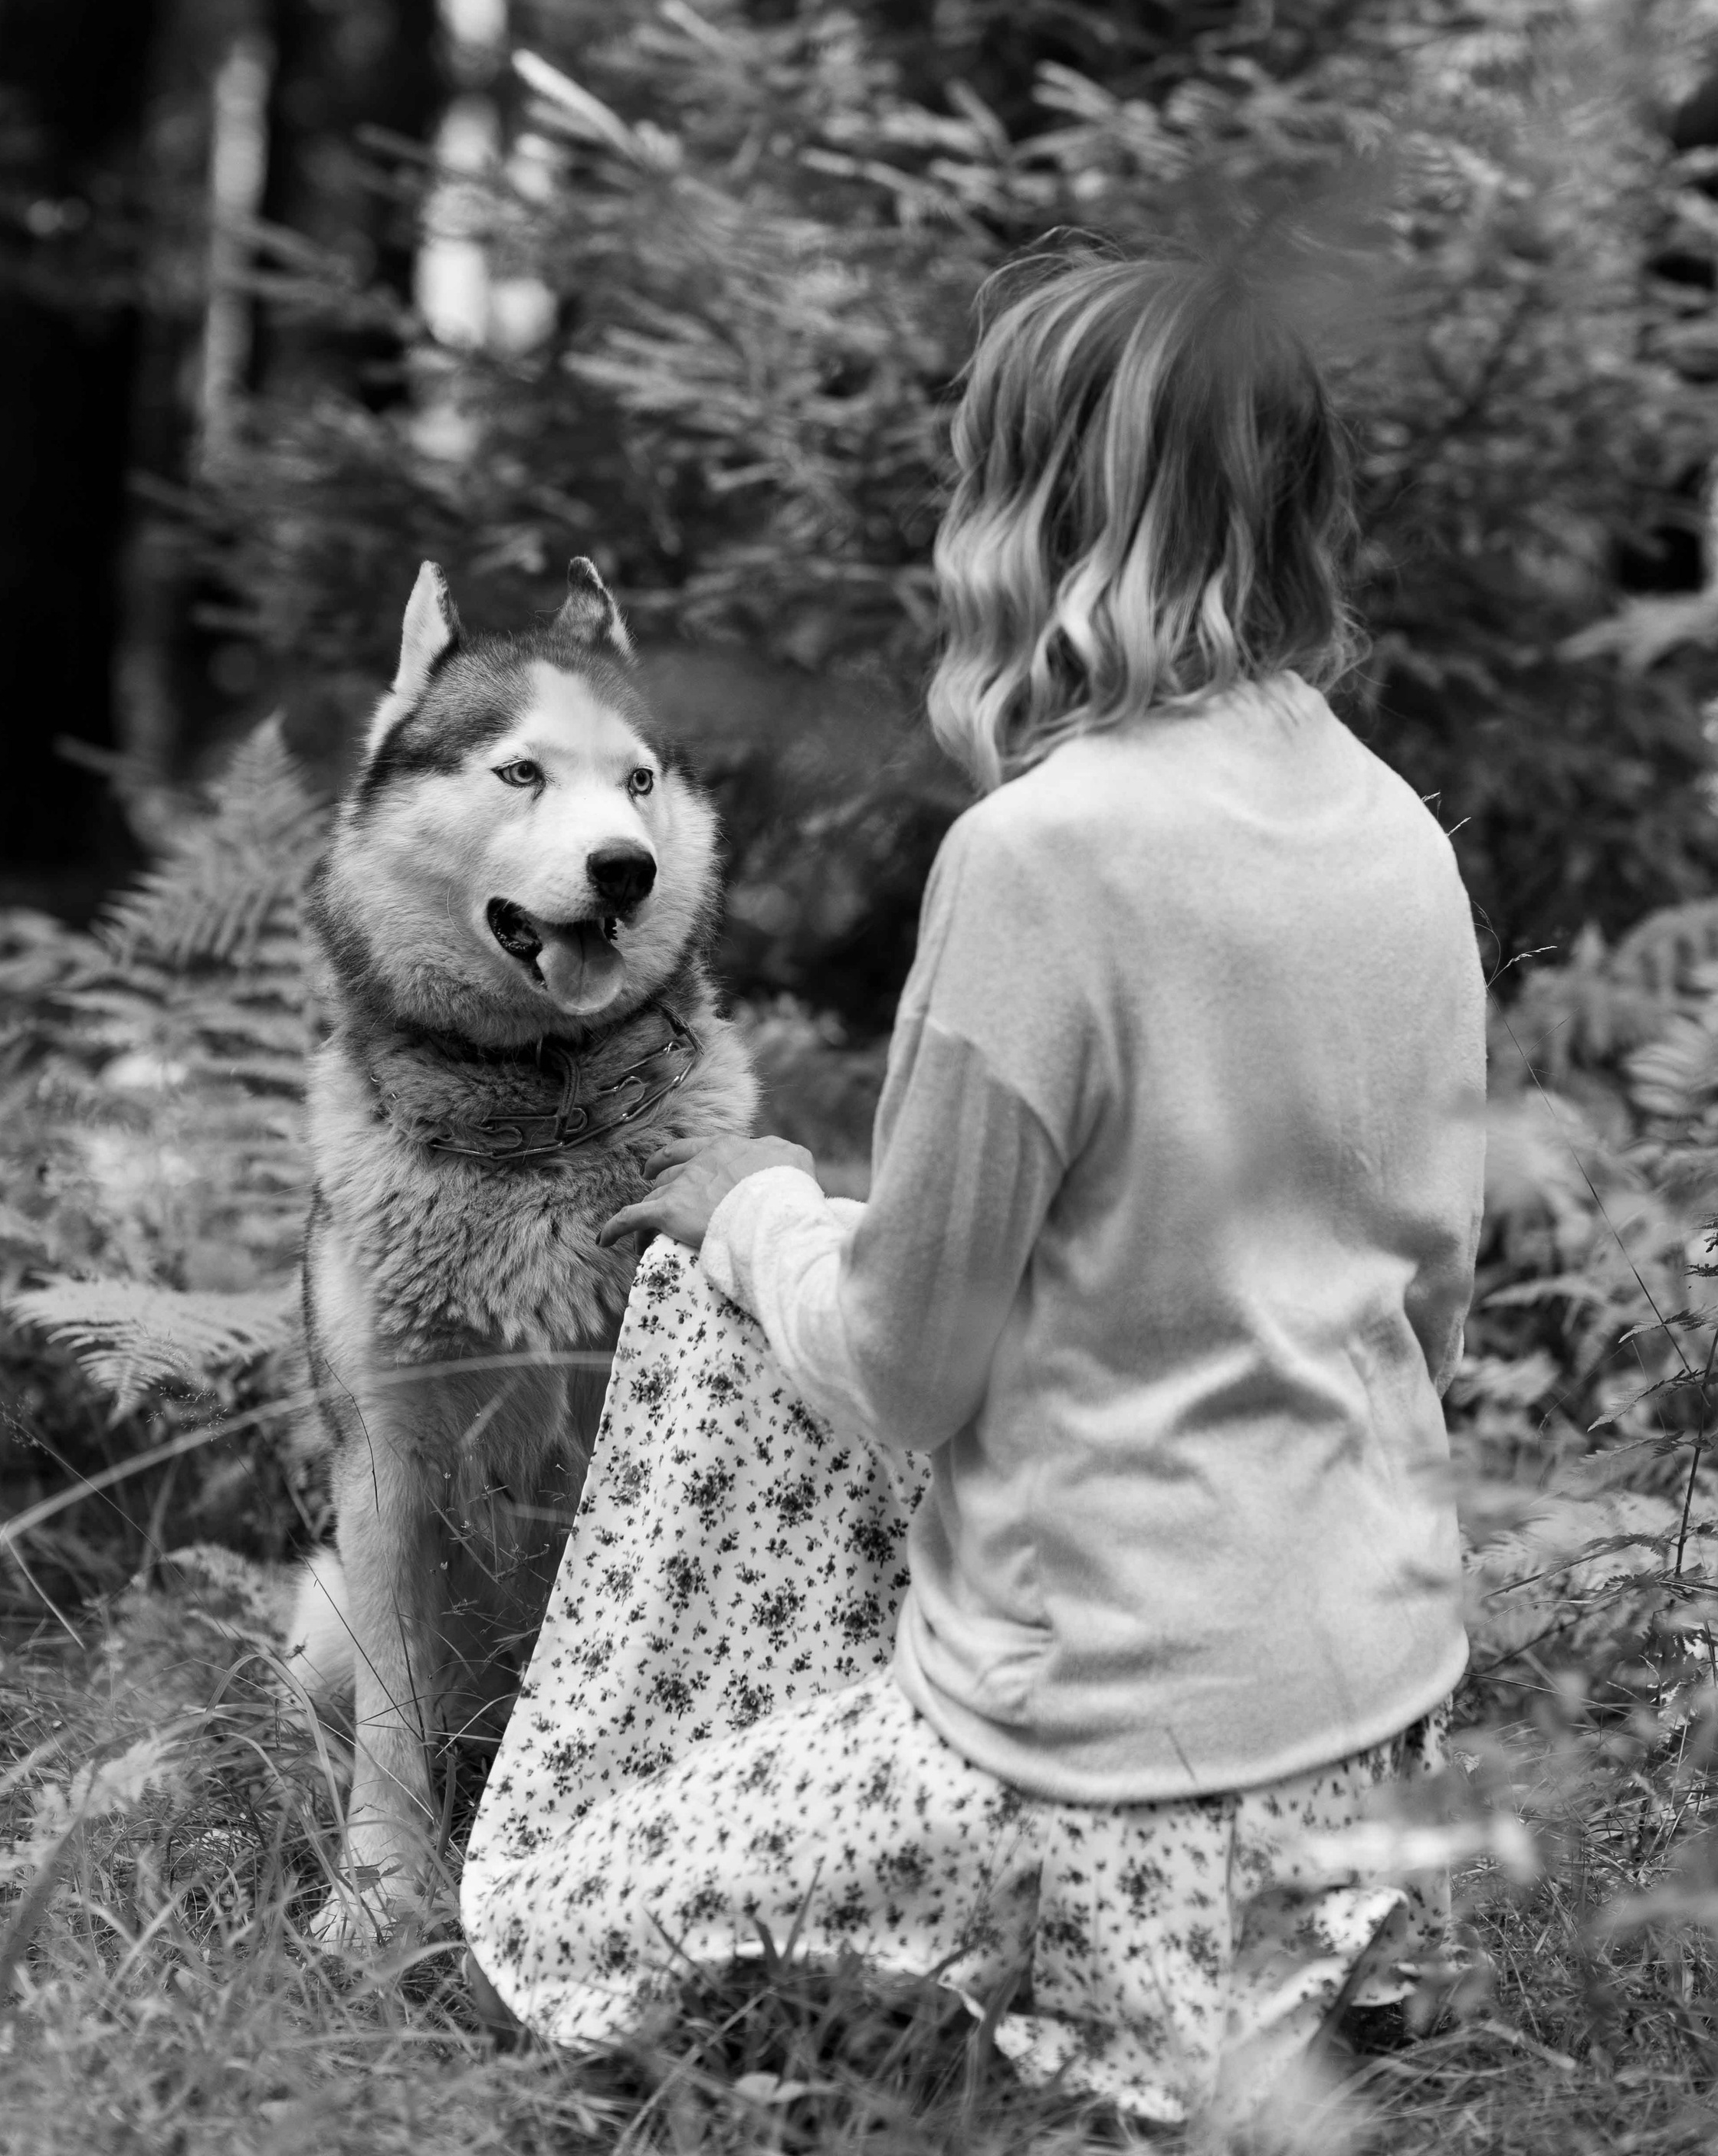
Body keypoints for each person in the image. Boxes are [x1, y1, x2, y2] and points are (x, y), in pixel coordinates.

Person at [458, 244, 1488, 2123]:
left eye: (972, 478)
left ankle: (968, 1939)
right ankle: (1292, 1947)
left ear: (1035, 514)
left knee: (556, 1898)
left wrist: (757, 1197)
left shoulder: (1041, 856)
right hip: (1373, 1708)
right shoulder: (1392, 827)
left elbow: (907, 1372)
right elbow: (1430, 1302)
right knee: (799, 1254)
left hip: (1099, 1766)